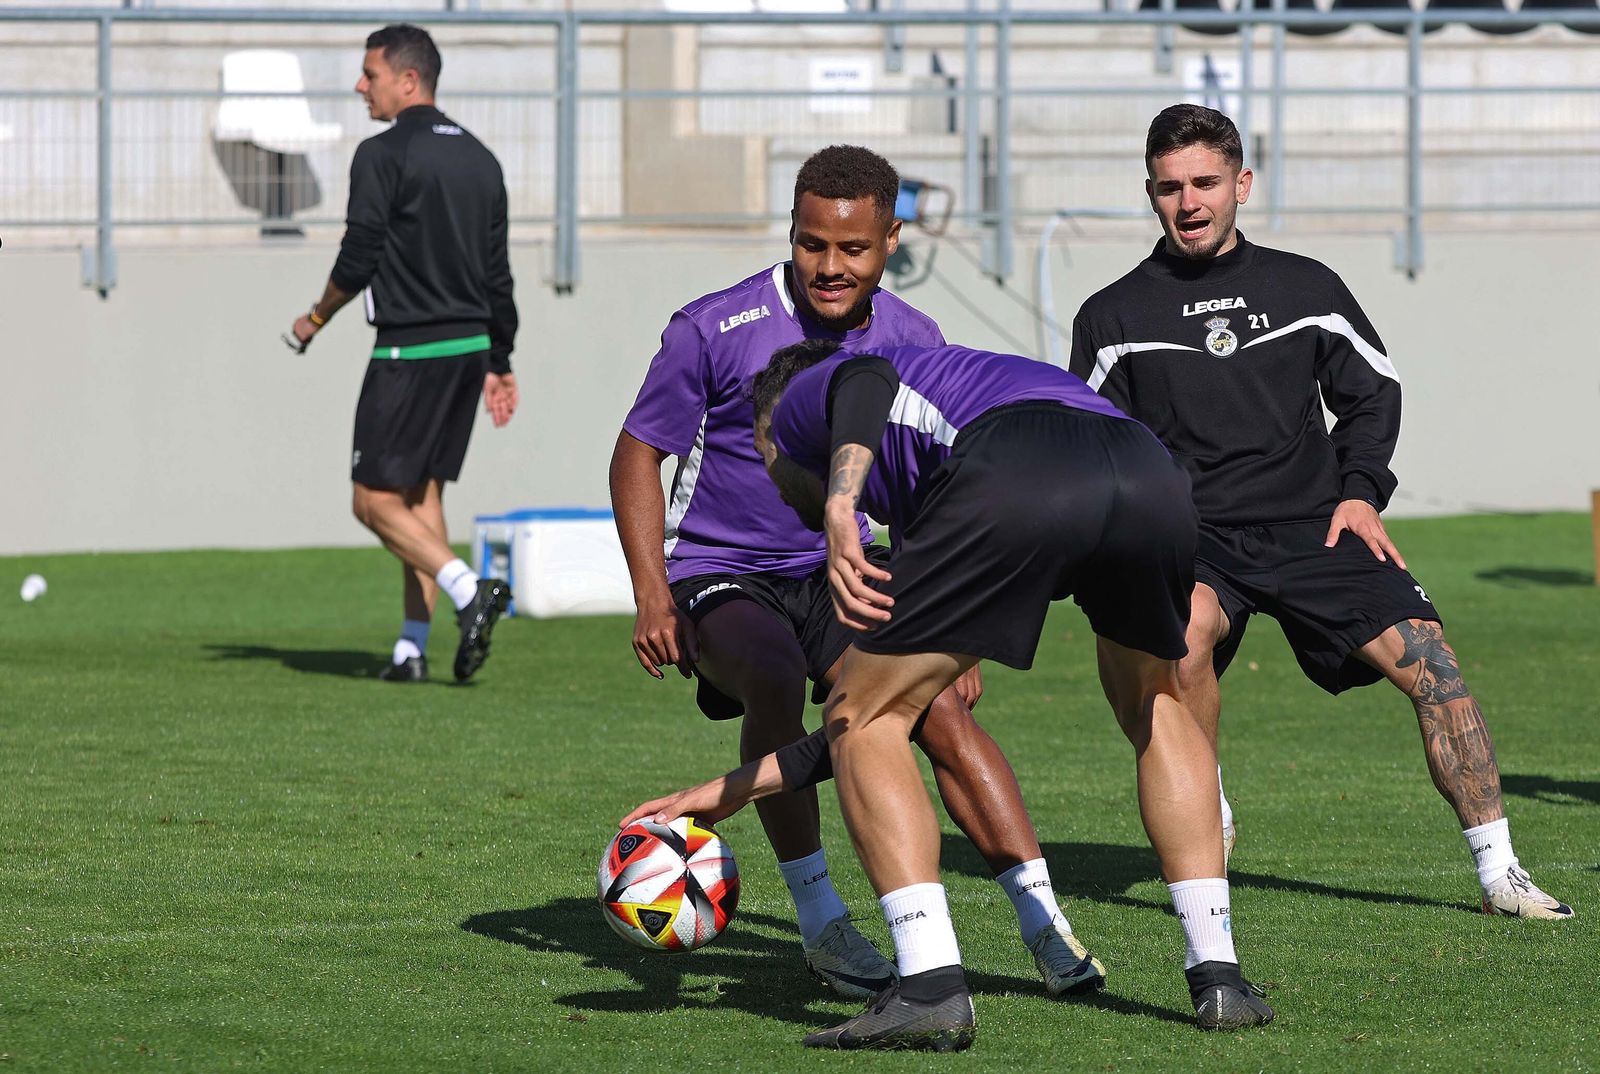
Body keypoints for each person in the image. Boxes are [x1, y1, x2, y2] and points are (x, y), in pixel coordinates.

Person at [609, 146, 1106, 1002]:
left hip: (850, 568)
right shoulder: (710, 326)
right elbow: (637, 454)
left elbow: (938, 482)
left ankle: (1044, 925)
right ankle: (823, 924)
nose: (830, 267)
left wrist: (959, 624)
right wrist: (653, 591)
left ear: (891, 240)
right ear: (792, 233)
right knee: (770, 677)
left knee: (939, 712)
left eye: (853, 250)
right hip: (723, 573)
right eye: (811, 245)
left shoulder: (914, 338)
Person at [1066, 103, 1571, 921]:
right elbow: (1090, 442)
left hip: (1315, 523)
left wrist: (1361, 492)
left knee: (1434, 667)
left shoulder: (1305, 286)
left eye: (1205, 183)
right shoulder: (1112, 316)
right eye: (1169, 188)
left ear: (1242, 184)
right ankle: (1209, 803)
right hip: (1193, 539)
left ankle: (1501, 874)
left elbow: (1372, 395)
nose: (1188, 202)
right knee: (1183, 634)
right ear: (1150, 194)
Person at [725, 339, 1271, 1049]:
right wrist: (734, 788)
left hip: (1021, 462)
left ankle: (927, 988)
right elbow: (902, 711)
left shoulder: (800, 401)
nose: (770, 480)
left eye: (763, 457)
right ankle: (1219, 978)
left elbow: (864, 374)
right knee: (1156, 703)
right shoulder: (933, 451)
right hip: (1147, 471)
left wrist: (838, 499)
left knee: (863, 717)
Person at [285, 24, 518, 684]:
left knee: (372, 501)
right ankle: (411, 649)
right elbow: (498, 275)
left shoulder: (381, 153)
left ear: (407, 80)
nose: (361, 86)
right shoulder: (481, 158)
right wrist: (500, 359)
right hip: (470, 348)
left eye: (370, 74)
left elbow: (358, 257)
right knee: (420, 499)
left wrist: (315, 317)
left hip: (410, 350)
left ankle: (471, 591)